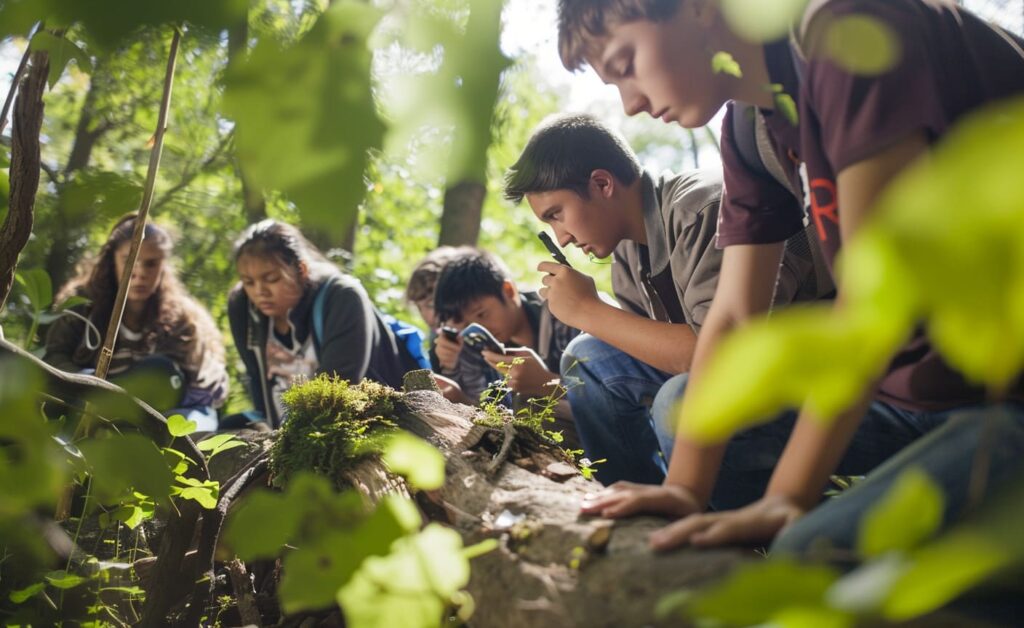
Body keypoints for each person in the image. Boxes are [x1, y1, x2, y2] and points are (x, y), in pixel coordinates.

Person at [556, 0, 1024, 553]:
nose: (630, 103)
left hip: (1001, 395)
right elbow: (731, 319)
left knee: (802, 552)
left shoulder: (848, 34)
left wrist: (787, 498)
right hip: (909, 399)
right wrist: (683, 487)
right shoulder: (751, 128)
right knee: (687, 404)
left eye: (625, 63)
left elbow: (874, 302)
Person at [504, 112, 827, 485]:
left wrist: (589, 311)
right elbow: (652, 352)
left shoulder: (703, 207)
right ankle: (637, 507)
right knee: (585, 356)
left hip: (815, 380)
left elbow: (714, 357)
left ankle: (732, 530)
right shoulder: (626, 257)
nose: (561, 238)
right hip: (741, 384)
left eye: (557, 215)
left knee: (679, 397)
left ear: (602, 183)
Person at [43, 214, 228, 432]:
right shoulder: (81, 305)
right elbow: (54, 358)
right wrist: (90, 382)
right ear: (113, 259)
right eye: (130, 260)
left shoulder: (182, 318)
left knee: (161, 371)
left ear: (163, 265)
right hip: (90, 410)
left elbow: (208, 383)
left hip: (159, 420)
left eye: (151, 264)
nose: (140, 273)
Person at [226, 219, 409, 429]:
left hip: (363, 424)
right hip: (284, 431)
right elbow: (256, 378)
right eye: (249, 282)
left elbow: (337, 387)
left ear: (301, 270)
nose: (259, 291)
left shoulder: (342, 298)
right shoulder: (242, 305)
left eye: (272, 278)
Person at [432, 248, 582, 445]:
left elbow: (611, 401)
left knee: (528, 401)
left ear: (508, 291)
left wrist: (546, 383)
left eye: (481, 315)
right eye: (466, 324)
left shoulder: (565, 315)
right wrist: (457, 393)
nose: (479, 328)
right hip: (524, 454)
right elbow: (492, 421)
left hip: (594, 447)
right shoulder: (473, 348)